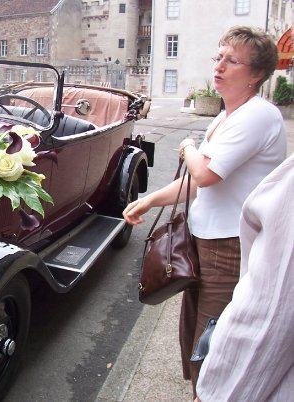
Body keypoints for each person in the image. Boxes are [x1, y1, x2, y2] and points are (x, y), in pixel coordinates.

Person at [122, 26, 286, 395]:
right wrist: (148, 200)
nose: (220, 65)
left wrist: (187, 147)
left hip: (230, 247)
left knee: (214, 341)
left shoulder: (257, 115)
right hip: (206, 240)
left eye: (232, 60)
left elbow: (205, 173)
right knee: (197, 328)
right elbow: (196, 183)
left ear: (256, 74)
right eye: (219, 56)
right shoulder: (227, 116)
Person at [194, 153, 294, 401]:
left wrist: (216, 394)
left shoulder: (257, 116)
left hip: (225, 245)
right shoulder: (222, 121)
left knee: (208, 331)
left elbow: (272, 312)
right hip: (204, 238)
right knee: (200, 336)